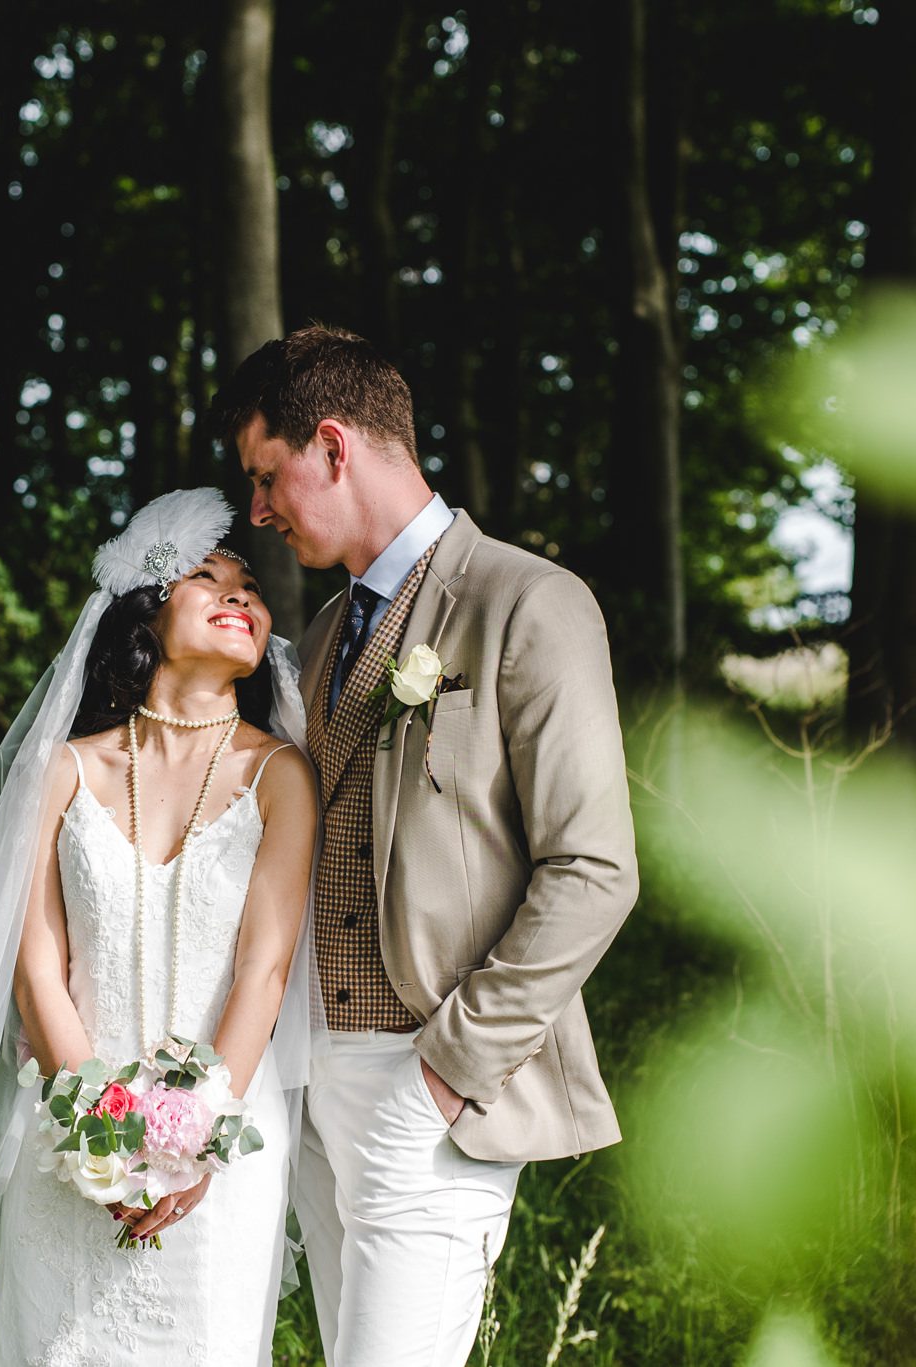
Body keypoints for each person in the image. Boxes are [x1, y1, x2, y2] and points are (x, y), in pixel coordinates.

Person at [207, 325, 641, 1367]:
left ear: (331, 444)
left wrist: (448, 1068)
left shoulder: (527, 601)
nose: (258, 510)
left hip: (431, 1076)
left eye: (267, 477)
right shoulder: (314, 639)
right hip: (308, 1085)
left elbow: (593, 870)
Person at [0, 489, 322, 1366]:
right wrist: (99, 1130)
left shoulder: (282, 773)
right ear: (145, 610)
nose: (238, 595)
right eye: (206, 576)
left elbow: (266, 968)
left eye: (250, 586)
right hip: (72, 1137)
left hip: (221, 1146)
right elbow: (35, 969)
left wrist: (198, 1137)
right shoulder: (60, 768)